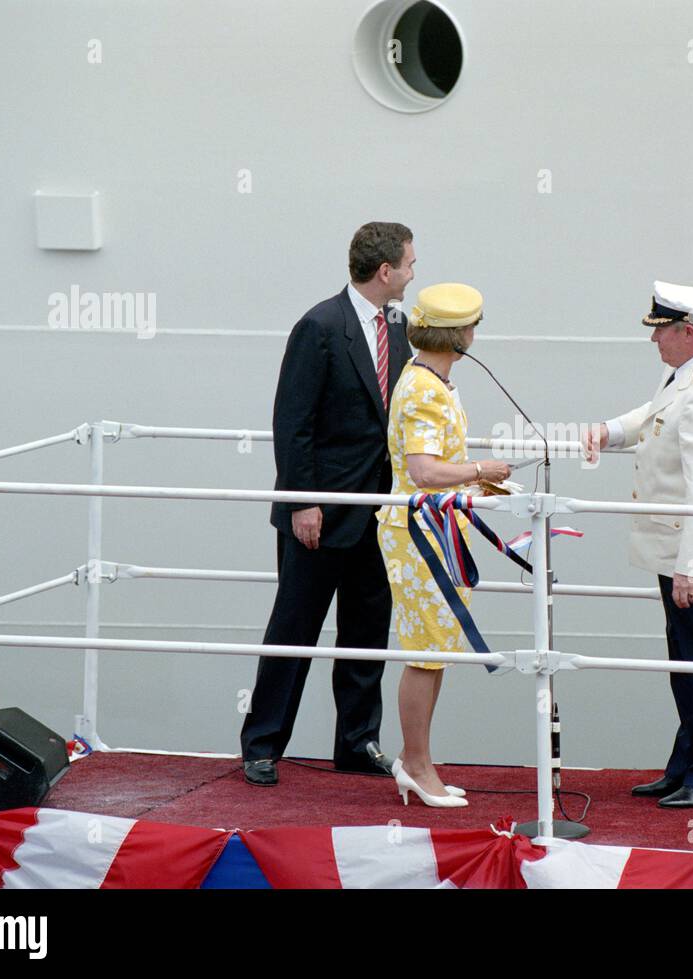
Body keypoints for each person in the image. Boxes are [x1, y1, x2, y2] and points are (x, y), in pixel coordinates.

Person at [239, 222, 415, 786]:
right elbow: (293, 424)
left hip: (378, 512)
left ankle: (358, 741)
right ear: (385, 271)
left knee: (367, 631)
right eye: (410, 264)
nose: (415, 274)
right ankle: (262, 745)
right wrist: (303, 503)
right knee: (293, 630)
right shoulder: (319, 325)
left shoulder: (398, 326)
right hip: (319, 513)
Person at [583, 281, 693, 808]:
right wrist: (610, 430)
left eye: (660, 329)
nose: (654, 339)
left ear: (687, 331)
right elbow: (656, 412)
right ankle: (686, 765)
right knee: (686, 666)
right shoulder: (686, 376)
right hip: (682, 551)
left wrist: (691, 569)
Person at [376, 283, 511, 808]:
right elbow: (424, 470)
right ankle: (416, 765)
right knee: (425, 652)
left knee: (433, 651)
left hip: (433, 525)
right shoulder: (428, 387)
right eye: (472, 327)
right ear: (459, 335)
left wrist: (477, 483)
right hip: (419, 531)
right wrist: (481, 469)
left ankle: (419, 762)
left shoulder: (430, 378)